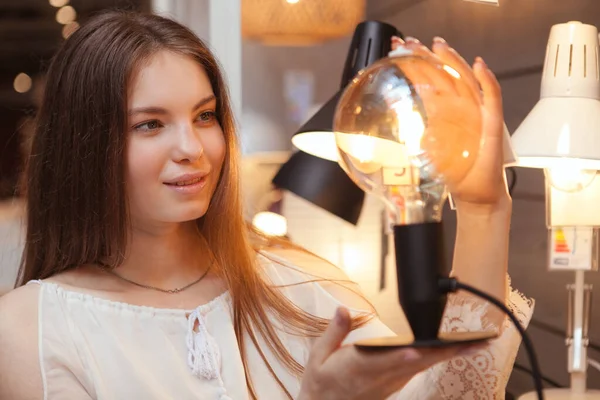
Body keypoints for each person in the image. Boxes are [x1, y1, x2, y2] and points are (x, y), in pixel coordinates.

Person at [0, 11, 533, 400]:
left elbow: (453, 394)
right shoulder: (31, 332)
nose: (193, 148)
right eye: (151, 124)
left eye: (205, 116)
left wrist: (484, 209)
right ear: (85, 146)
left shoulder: (299, 288)